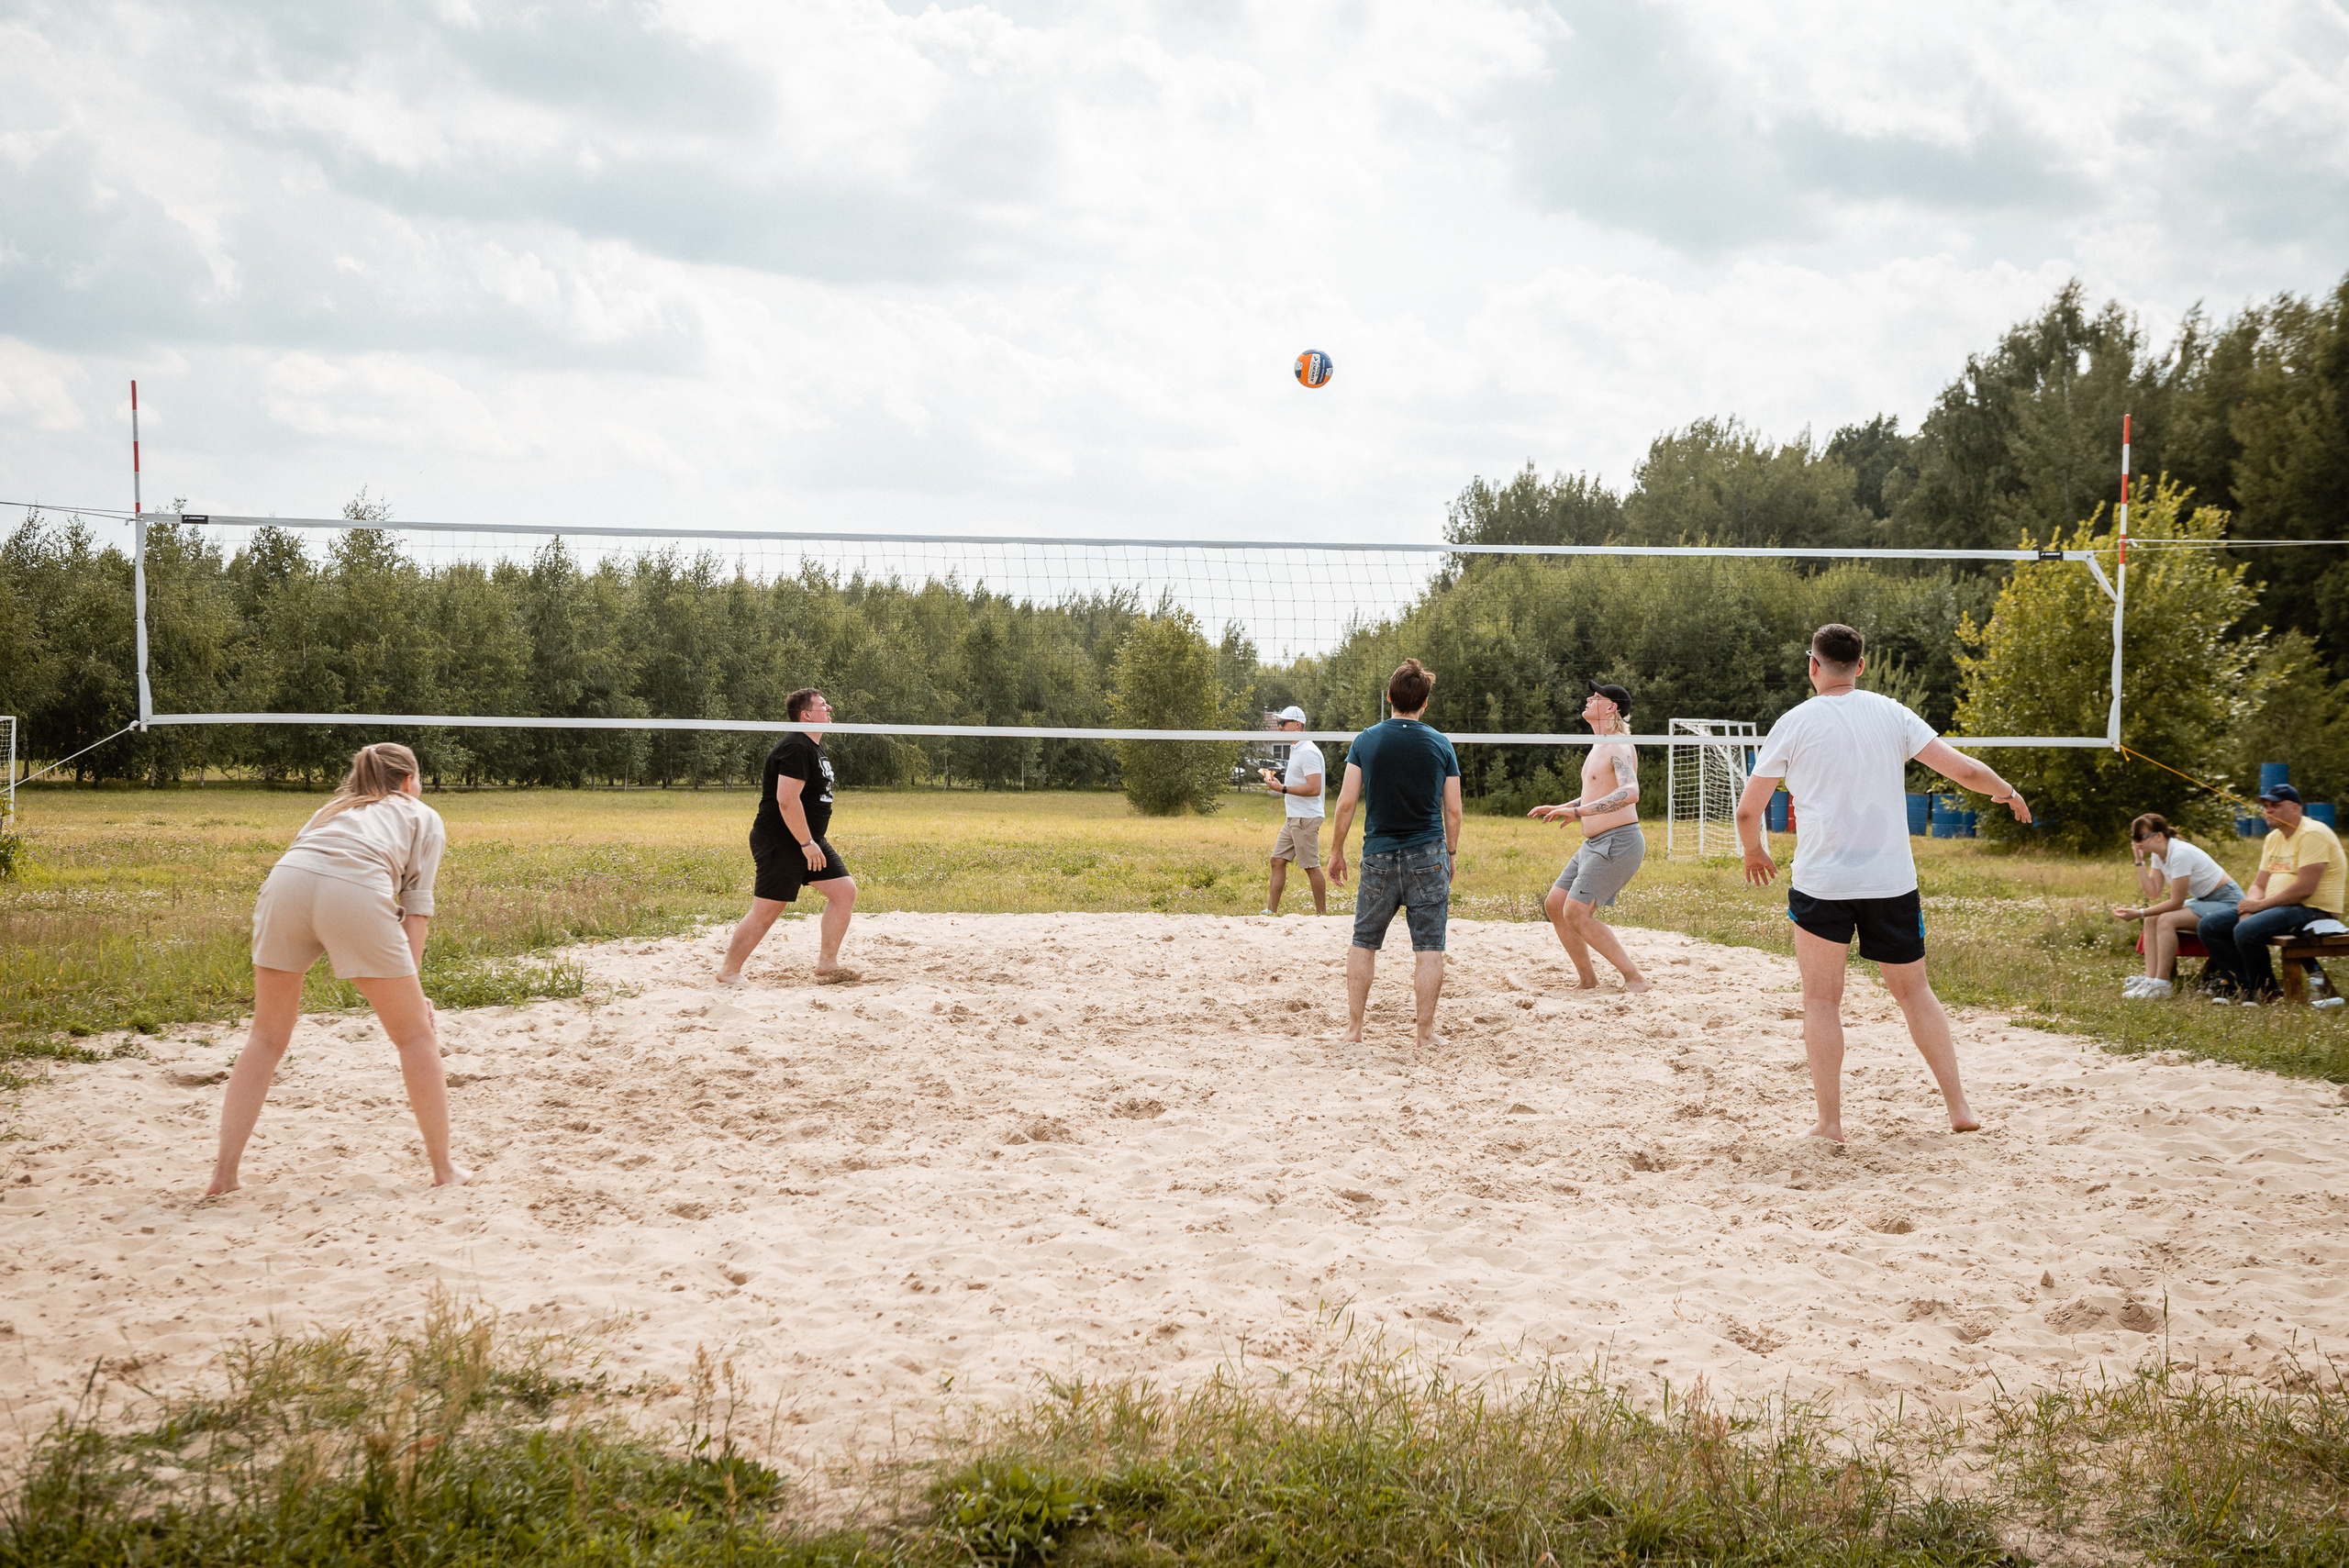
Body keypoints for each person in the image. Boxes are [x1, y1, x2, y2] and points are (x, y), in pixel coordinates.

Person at [1732, 624, 2032, 1142]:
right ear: (1862, 665)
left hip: (1823, 882)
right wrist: (2007, 792)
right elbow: (1963, 771)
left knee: (1822, 1000)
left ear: (1813, 666)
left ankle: (1830, 1124)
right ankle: (1959, 1108)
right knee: (1915, 993)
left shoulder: (1794, 722)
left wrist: (1755, 849)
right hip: (1890, 881)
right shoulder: (1892, 713)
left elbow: (1747, 811)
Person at [207, 742, 469, 1194]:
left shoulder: (335, 807)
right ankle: (444, 1169)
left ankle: (223, 1175)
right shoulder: (420, 814)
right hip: (353, 890)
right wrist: (415, 989)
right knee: (415, 1035)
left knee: (265, 1037)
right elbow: (417, 910)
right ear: (409, 781)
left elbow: (306, 858)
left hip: (285, 885)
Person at [1327, 659, 1462, 1050]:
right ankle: (1424, 1034)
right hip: (1429, 854)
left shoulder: (1366, 740)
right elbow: (1452, 809)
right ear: (1424, 703)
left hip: (1380, 855)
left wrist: (1336, 851)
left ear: (1389, 697)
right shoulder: (1440, 743)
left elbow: (1346, 803)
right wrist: (1450, 851)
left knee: (1364, 941)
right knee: (1430, 947)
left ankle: (1354, 1030)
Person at [718, 687, 860, 984]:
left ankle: (827, 964)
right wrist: (806, 843)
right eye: (823, 705)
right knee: (767, 909)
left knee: (843, 891)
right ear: (806, 714)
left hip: (807, 839)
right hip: (784, 840)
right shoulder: (796, 746)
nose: (830, 708)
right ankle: (729, 972)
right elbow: (786, 800)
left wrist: (810, 841)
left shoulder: (812, 747)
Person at [1527, 682, 1650, 992]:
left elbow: (1630, 792)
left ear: (1611, 708)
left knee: (1576, 912)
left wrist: (1579, 814)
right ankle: (1588, 980)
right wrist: (1565, 807)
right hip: (1595, 844)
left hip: (1618, 842)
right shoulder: (1600, 744)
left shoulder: (1619, 745)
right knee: (1556, 905)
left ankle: (1635, 979)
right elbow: (1599, 795)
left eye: (1596, 697)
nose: (1588, 699)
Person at [2196, 783, 2343, 1004]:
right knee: (2210, 926)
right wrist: (2250, 906)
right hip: (2277, 908)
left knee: (2246, 930)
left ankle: (2267, 992)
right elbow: (2259, 884)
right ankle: (2242, 986)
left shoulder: (2312, 833)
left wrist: (2258, 907)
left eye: (2275, 805)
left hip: (2314, 911)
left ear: (2296, 808)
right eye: (2265, 805)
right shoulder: (2273, 838)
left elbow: (2305, 889)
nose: (2268, 810)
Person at [2110, 813, 2241, 998]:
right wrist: (2139, 861)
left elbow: (2176, 901)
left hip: (2228, 902)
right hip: (2206, 900)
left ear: (2158, 836)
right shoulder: (2159, 854)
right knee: (2152, 918)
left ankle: (2162, 984)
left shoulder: (2180, 854)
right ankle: (2150, 980)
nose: (2136, 842)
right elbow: (2153, 893)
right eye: (2133, 838)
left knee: (2166, 919)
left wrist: (2138, 913)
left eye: (2140, 837)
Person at [1260, 706, 1328, 915]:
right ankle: (1271, 911)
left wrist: (1283, 789)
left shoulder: (1308, 751)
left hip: (1306, 818)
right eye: (1279, 723)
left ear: (1297, 725)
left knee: (1311, 866)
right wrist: (1279, 785)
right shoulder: (1297, 748)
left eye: (1283, 723)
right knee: (1277, 861)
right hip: (1293, 818)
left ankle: (1321, 915)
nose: (1279, 727)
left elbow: (1315, 788)